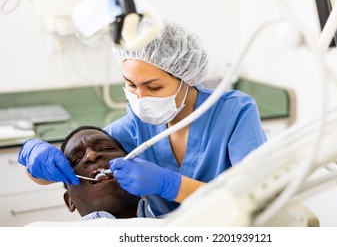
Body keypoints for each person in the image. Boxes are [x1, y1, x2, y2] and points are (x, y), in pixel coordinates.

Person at [18, 19, 268, 218]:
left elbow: (258, 194)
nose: (140, 97)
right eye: (131, 85)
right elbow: (76, 165)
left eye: (154, 87)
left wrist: (171, 184)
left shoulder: (234, 112)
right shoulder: (135, 127)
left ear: (187, 77)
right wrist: (33, 160)